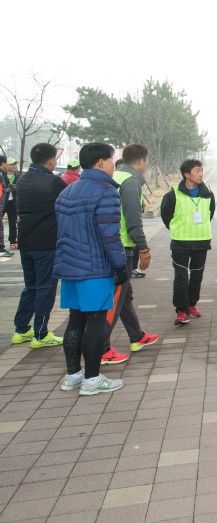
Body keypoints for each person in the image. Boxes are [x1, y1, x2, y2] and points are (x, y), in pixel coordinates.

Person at [55, 142, 127, 396]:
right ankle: (92, 378)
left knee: (75, 321)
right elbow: (110, 235)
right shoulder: (105, 192)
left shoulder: (68, 191)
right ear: (100, 162)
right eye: (111, 160)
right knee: (96, 322)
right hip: (95, 268)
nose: (113, 165)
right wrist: (120, 265)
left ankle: (73, 374)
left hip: (70, 266)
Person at [105, 144, 160, 364]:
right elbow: (133, 218)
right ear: (141, 161)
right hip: (123, 247)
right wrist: (143, 247)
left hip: (116, 243)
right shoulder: (130, 182)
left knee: (124, 296)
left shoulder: (116, 176)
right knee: (117, 299)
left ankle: (136, 337)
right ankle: (102, 347)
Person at [11, 143, 68, 348]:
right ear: (51, 160)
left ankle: (21, 329)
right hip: (46, 243)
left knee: (31, 286)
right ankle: (41, 334)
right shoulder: (54, 182)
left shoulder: (22, 179)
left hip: (25, 241)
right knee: (46, 287)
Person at [160, 159, 216, 327]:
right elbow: (166, 216)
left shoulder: (208, 193)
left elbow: (210, 213)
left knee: (197, 276)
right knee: (181, 277)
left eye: (201, 170)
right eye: (197, 171)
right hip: (180, 242)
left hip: (201, 241)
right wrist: (177, 229)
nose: (201, 174)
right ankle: (181, 310)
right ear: (186, 174)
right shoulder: (173, 194)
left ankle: (192, 304)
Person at [4, 158, 20, 250]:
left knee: (13, 222)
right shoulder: (2, 175)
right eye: (12, 164)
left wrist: (14, 188)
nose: (14, 166)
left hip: (13, 202)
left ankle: (13, 241)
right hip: (3, 201)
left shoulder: (18, 176)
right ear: (7, 165)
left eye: (15, 164)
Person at [0, 156, 12, 258]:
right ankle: (1, 249)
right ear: (2, 163)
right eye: (7, 163)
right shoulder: (1, 174)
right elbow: (2, 190)